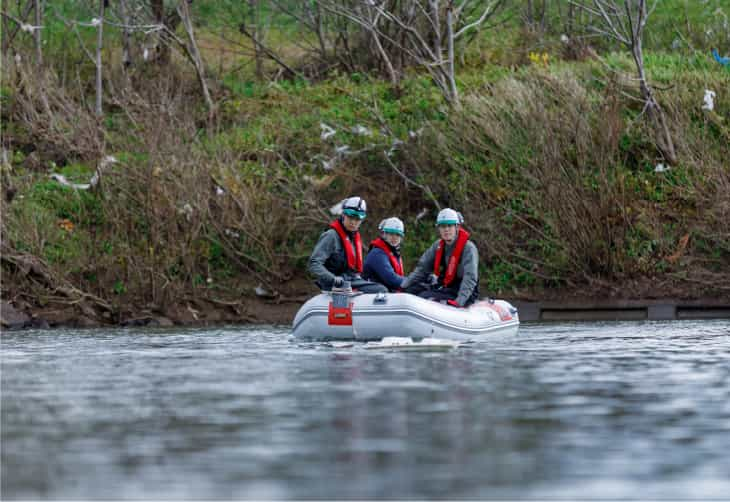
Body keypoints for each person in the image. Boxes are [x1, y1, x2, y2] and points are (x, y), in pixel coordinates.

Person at [401, 208, 479, 307]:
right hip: (446, 287)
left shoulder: (468, 248)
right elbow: (421, 269)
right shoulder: (437, 246)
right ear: (439, 228)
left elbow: (470, 277)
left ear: (457, 227)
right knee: (411, 290)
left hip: (463, 292)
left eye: (449, 226)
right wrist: (403, 286)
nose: (446, 230)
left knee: (424, 297)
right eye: (442, 226)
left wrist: (459, 301)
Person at [308, 196, 388, 294]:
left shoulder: (354, 237)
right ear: (343, 215)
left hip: (350, 280)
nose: (353, 222)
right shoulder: (331, 235)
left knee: (382, 286)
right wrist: (333, 279)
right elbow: (314, 263)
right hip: (334, 283)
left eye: (357, 219)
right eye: (350, 217)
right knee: (380, 290)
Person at [363, 217, 405, 292]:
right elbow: (392, 279)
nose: (394, 237)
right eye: (391, 234)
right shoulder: (377, 253)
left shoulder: (394, 253)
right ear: (384, 234)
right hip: (373, 295)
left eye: (398, 235)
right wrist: (414, 281)